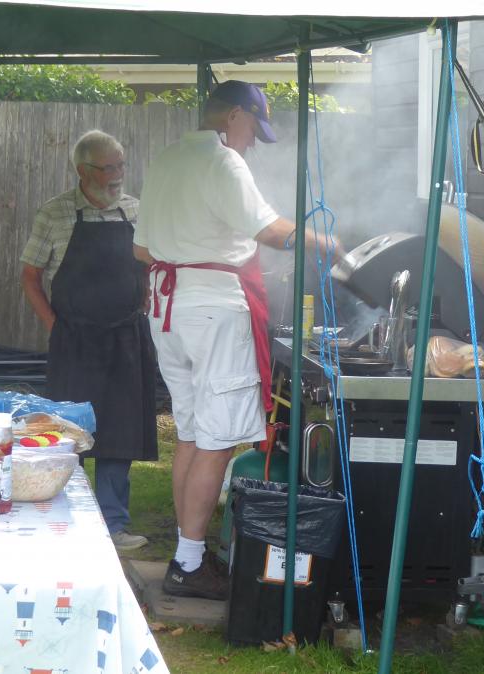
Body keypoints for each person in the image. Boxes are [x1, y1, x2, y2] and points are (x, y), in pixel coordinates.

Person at [134, 81, 341, 599]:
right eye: (253, 129)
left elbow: (142, 250)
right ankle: (188, 564)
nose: (251, 143)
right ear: (232, 117)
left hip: (167, 309)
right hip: (212, 312)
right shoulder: (223, 163)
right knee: (218, 440)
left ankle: (189, 554)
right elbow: (270, 231)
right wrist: (329, 243)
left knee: (191, 431)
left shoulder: (166, 159)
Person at [20, 130, 158, 552]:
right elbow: (30, 274)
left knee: (121, 429)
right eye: (109, 167)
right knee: (68, 432)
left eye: (121, 165)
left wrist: (146, 300)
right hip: (74, 339)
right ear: (83, 170)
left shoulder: (136, 210)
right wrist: (54, 325)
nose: (118, 174)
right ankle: (64, 519)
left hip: (126, 338)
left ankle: (114, 524)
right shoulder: (55, 213)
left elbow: (151, 264)